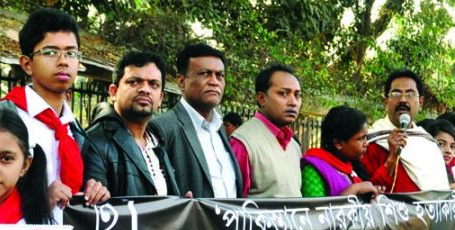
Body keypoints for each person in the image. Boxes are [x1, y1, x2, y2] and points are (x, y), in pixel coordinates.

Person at [2, 8, 106, 207]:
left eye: (71, 53)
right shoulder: (3, 117)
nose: (63, 62)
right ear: (27, 64)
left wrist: (95, 189)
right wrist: (38, 196)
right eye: (50, 52)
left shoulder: (74, 128)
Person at [82, 50, 181, 197]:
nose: (145, 89)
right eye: (134, 82)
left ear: (160, 98)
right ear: (113, 92)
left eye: (153, 84)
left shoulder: (157, 143)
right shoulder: (95, 142)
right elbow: (95, 211)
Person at [152, 43, 241, 198]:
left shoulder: (219, 128)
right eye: (205, 74)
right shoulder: (162, 128)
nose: (214, 82)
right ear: (181, 82)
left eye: (220, 75)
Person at [360, 69, 449, 193]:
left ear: (421, 102)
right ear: (386, 102)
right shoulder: (370, 143)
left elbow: (441, 193)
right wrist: (391, 159)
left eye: (410, 94)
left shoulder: (429, 145)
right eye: (396, 94)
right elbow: (364, 193)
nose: (403, 100)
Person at [230, 63, 303, 198]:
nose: (293, 102)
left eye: (297, 95)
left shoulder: (293, 145)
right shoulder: (243, 142)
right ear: (262, 98)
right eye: (283, 94)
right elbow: (232, 205)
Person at [299, 105, 381, 199]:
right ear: (338, 143)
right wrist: (355, 189)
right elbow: (315, 210)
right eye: (360, 139)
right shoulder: (313, 168)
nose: (366, 143)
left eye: (366, 137)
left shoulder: (351, 168)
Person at [425, 119, 455, 183]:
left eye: (452, 147)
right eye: (441, 144)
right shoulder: (417, 170)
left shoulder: (453, 176)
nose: (449, 151)